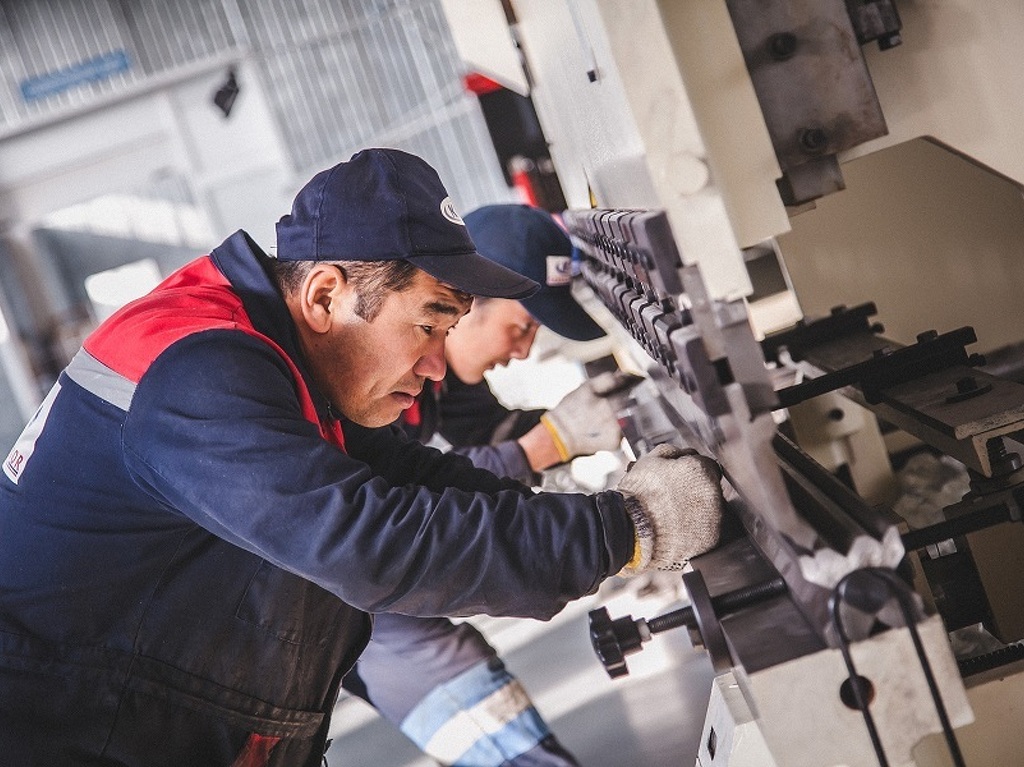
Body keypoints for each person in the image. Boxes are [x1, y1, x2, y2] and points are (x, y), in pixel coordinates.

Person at [0, 148, 725, 767]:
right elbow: (372, 542)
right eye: (428, 325)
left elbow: (416, 477)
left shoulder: (283, 362)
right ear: (326, 296)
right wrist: (630, 530)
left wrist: (609, 517)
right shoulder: (199, 372)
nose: (438, 367)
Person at [342, 204, 635, 767]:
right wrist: (554, 441)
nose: (523, 349)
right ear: (466, 302)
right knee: (478, 706)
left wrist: (600, 417)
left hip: (367, 580)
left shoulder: (445, 377)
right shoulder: (379, 378)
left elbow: (485, 442)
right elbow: (412, 504)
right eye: (520, 326)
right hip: (345, 595)